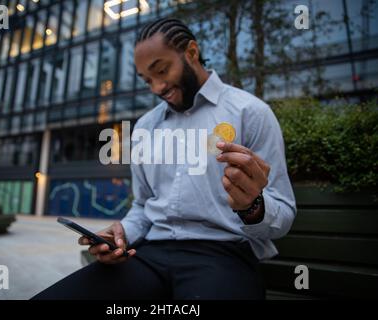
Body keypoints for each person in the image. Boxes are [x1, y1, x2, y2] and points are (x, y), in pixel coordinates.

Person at [32, 18, 296, 300]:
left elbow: (283, 213)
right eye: (147, 79)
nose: (156, 87)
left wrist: (252, 206)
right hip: (149, 256)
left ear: (192, 53)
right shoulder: (145, 127)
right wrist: (122, 233)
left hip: (223, 256)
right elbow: (144, 206)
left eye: (162, 70)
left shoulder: (250, 113)